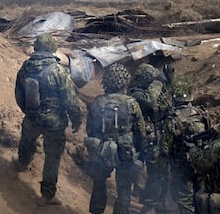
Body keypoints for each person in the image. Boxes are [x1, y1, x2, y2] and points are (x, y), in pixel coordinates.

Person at [14, 33, 82, 206]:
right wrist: (76, 119)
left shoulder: (25, 67)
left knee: (27, 141)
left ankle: (22, 164)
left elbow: (19, 94)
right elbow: (70, 99)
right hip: (54, 122)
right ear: (52, 49)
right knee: (52, 157)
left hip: (32, 118)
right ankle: (47, 195)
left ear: (36, 48)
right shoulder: (59, 71)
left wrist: (28, 111)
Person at [85, 63, 147, 214]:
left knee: (99, 184)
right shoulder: (131, 104)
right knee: (124, 190)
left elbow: (90, 129)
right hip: (125, 151)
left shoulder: (97, 103)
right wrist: (141, 156)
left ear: (105, 82)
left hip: (101, 148)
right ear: (125, 81)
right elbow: (140, 132)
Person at [126, 63, 172, 212]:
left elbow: (161, 99)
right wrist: (159, 81)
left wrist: (167, 81)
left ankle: (152, 200)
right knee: (141, 168)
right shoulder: (135, 93)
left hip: (154, 136)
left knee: (156, 170)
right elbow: (150, 100)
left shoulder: (146, 90)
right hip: (141, 137)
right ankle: (143, 199)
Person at [160, 75, 208, 214]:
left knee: (184, 200)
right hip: (201, 164)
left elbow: (165, 148)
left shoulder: (173, 119)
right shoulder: (202, 114)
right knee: (201, 197)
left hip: (181, 167)